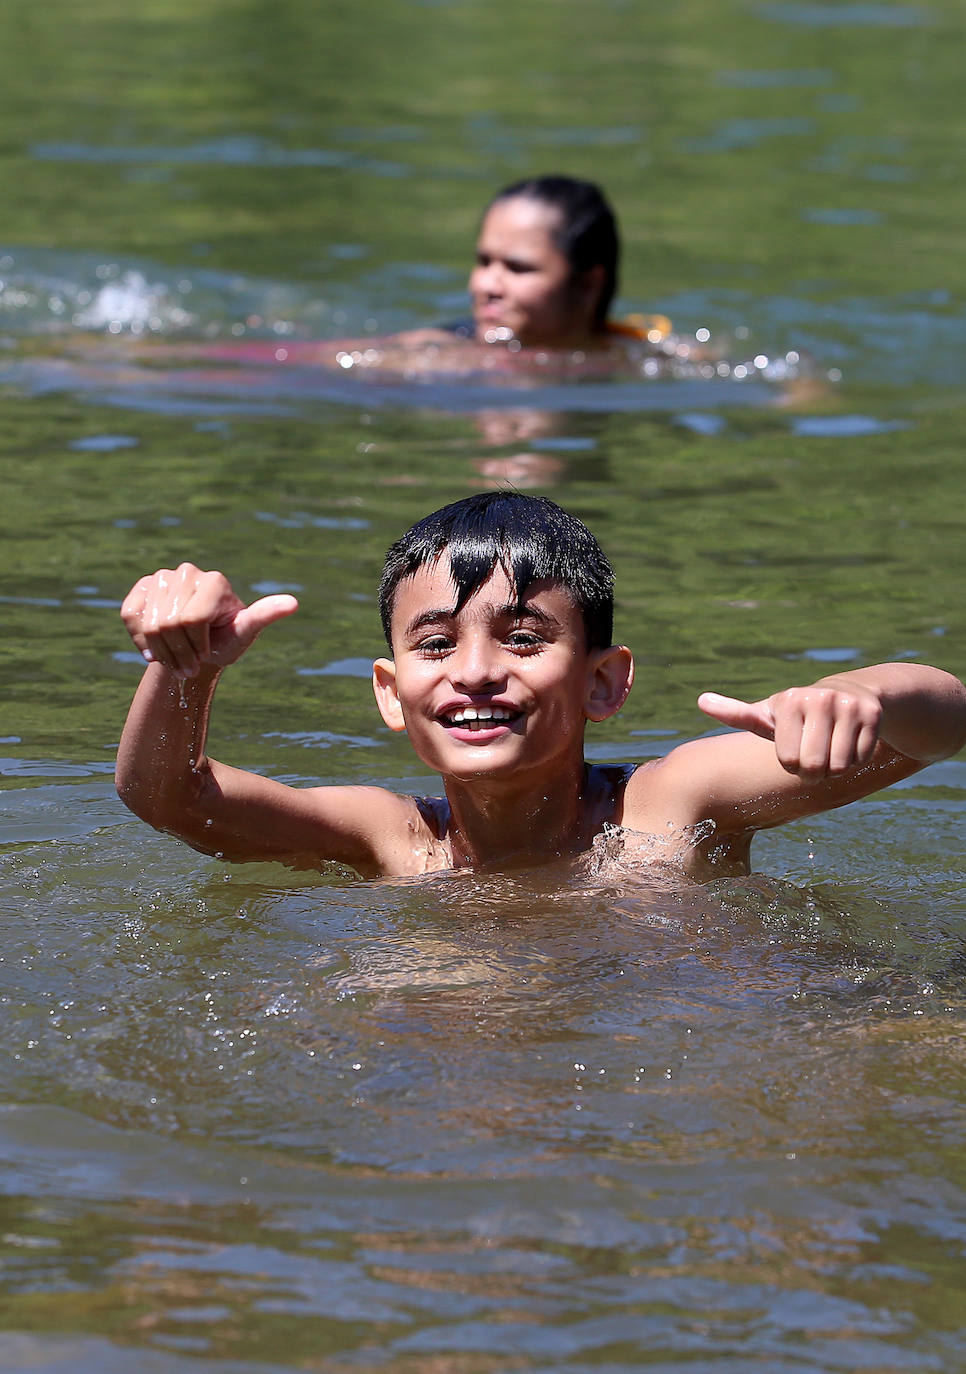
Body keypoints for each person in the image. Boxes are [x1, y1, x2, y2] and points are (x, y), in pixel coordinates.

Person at [116, 491, 966, 881]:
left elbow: (945, 727)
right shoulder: (393, 843)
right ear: (389, 689)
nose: (477, 670)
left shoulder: (670, 809)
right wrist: (183, 671)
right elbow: (171, 800)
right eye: (436, 644)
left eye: (524, 639)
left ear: (604, 682)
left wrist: (866, 695)